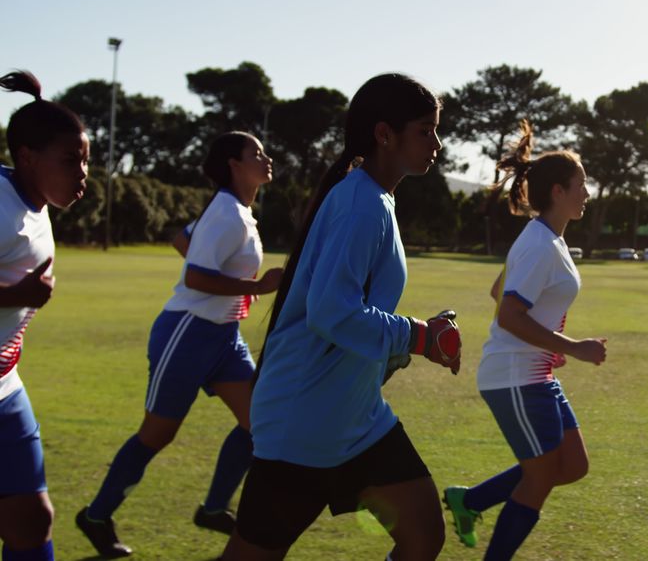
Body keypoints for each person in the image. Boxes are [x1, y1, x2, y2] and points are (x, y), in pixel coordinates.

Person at [222, 73, 461, 561]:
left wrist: (405, 345)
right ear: (384, 134)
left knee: (423, 534)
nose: (436, 143)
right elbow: (332, 314)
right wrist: (419, 336)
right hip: (305, 422)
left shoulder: (375, 199)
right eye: (425, 130)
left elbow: (349, 316)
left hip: (356, 418)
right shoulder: (360, 204)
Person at [75, 132, 281, 557]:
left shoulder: (237, 211)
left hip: (224, 337)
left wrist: (239, 289)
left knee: (259, 422)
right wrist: (253, 284)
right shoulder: (226, 212)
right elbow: (195, 277)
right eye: (255, 154)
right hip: (187, 333)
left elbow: (183, 240)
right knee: (157, 435)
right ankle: (96, 515)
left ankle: (213, 509)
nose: (266, 159)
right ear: (232, 164)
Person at [442, 121, 606, 560]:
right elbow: (510, 312)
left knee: (572, 465)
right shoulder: (540, 245)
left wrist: (549, 345)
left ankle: (470, 501)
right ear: (558, 192)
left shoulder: (545, 241)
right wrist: (572, 346)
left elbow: (500, 292)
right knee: (541, 476)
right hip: (514, 375)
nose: (586, 193)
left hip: (533, 370)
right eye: (581, 184)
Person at [0, 70, 89, 561]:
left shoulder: (32, 197)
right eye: (71, 161)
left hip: (5, 386)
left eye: (86, 160)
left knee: (32, 520)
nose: (83, 174)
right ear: (29, 158)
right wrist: (13, 293)